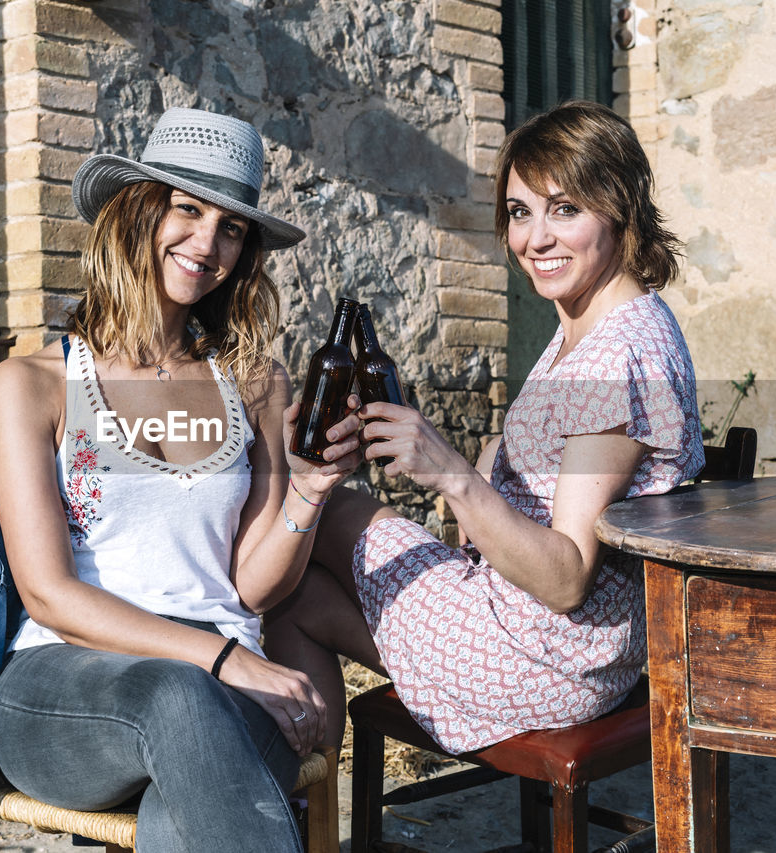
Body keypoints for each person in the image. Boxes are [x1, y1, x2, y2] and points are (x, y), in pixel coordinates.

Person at [265, 100, 705, 755]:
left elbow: (566, 577)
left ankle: (282, 798)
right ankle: (305, 809)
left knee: (315, 523)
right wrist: (502, 453)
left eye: (565, 209)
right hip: (559, 636)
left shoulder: (617, 355)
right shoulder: (596, 322)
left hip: (544, 655)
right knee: (297, 598)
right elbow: (584, 449)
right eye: (521, 213)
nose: (536, 239)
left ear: (619, 206)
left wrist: (451, 473)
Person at [0, 107, 360, 852]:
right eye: (188, 210)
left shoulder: (253, 382)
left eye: (231, 227)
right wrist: (219, 657)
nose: (208, 243)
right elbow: (47, 593)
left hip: (229, 680)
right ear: (139, 211)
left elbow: (251, 587)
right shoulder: (32, 383)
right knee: (178, 696)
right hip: (66, 685)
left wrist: (309, 491)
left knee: (177, 820)